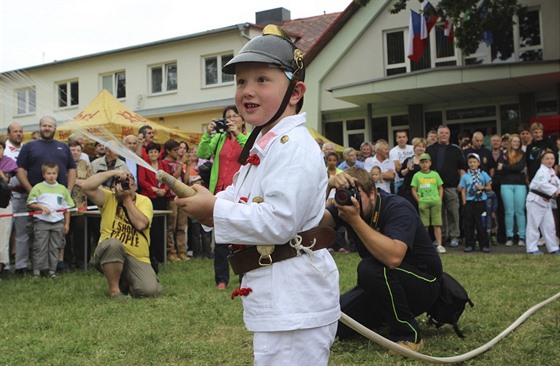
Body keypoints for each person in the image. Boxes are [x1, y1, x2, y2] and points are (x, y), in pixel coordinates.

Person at [176, 25, 340, 365]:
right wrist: (208, 203)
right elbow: (237, 196)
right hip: (282, 298)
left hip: (295, 300)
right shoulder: (264, 145)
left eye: (262, 80)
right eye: (240, 82)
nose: (247, 91)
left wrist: (212, 212)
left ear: (295, 92)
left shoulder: (292, 146)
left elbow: (278, 221)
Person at [323, 167, 442, 352]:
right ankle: (383, 316)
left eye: (356, 194)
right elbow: (315, 225)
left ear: (372, 193)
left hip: (424, 284)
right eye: (343, 194)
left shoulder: (397, 207)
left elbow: (393, 258)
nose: (349, 199)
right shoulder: (347, 206)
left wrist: (355, 220)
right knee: (332, 324)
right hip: (382, 284)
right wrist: (326, 187)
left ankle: (409, 336)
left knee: (369, 268)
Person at [81, 169, 162, 298]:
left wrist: (126, 199)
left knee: (149, 291)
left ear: (134, 186)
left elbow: (141, 225)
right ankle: (115, 291)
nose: (126, 184)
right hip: (110, 250)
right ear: (115, 187)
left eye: (129, 181)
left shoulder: (144, 201)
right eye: (122, 182)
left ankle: (126, 282)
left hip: (137, 256)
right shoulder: (108, 198)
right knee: (114, 244)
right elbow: (86, 186)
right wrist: (114, 173)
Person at [196, 105, 249, 290]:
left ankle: (245, 275)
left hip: (240, 192)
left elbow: (250, 154)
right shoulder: (219, 138)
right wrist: (207, 134)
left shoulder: (249, 137)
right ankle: (221, 279)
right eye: (228, 117)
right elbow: (202, 153)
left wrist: (238, 134)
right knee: (220, 238)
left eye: (235, 116)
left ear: (243, 119)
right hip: (218, 190)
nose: (231, 120)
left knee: (242, 235)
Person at [17, 116, 76, 273]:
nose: (47, 128)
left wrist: (68, 190)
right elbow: (20, 169)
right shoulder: (29, 146)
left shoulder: (63, 147)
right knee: (32, 234)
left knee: (58, 234)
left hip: (58, 199)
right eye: (44, 126)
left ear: (55, 128)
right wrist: (30, 189)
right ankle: (28, 266)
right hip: (35, 199)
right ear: (40, 127)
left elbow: (72, 169)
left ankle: (57, 264)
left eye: (50, 126)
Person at [27, 163, 74, 278]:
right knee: (39, 247)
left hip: (58, 222)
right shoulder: (38, 187)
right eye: (48, 173)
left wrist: (67, 224)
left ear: (57, 174)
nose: (51, 176)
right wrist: (40, 207)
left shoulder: (62, 189)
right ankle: (37, 271)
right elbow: (30, 204)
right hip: (42, 222)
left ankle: (52, 270)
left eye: (54, 173)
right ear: (44, 174)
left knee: (55, 247)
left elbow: (67, 209)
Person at [426, 125, 466, 248]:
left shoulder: (456, 149)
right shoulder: (430, 149)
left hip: (451, 186)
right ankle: (441, 237)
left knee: (453, 212)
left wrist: (461, 184)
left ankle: (454, 236)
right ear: (437, 135)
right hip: (434, 187)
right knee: (438, 214)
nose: (443, 135)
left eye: (446, 133)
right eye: (441, 133)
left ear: (449, 135)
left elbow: (462, 168)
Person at [138, 142, 170, 265]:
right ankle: (150, 255)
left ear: (159, 153)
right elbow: (141, 180)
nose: (153, 154)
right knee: (151, 227)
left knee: (161, 226)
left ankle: (161, 256)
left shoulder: (164, 165)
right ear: (148, 153)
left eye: (155, 152)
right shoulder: (143, 165)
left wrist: (165, 190)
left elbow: (168, 179)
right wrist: (153, 189)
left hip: (162, 197)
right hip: (149, 198)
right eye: (151, 152)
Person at [525, 150, 560, 255]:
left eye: (552, 159)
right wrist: (555, 191)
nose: (550, 161)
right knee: (533, 225)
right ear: (542, 160)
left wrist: (558, 190)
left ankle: (553, 247)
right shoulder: (541, 171)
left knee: (550, 226)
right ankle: (531, 248)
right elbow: (542, 184)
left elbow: (558, 182)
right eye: (547, 159)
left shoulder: (552, 171)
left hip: (546, 202)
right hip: (535, 201)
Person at [65, 141, 93, 269]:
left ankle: (82, 261)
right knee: (66, 234)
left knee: (81, 234)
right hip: (65, 206)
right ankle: (67, 261)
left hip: (81, 206)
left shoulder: (85, 165)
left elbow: (91, 181)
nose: (75, 152)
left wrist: (76, 181)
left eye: (77, 150)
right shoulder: (63, 163)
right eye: (72, 150)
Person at [411, 153, 445, 253]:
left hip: (435, 201)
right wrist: (419, 200)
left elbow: (440, 187)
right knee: (424, 225)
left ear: (430, 163)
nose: (424, 164)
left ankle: (439, 245)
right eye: (422, 162)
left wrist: (440, 199)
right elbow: (413, 189)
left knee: (437, 224)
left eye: (426, 162)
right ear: (419, 164)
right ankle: (425, 245)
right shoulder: (417, 175)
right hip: (423, 202)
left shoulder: (435, 174)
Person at [497, 134, 527, 246]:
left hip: (520, 184)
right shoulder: (503, 154)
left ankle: (521, 237)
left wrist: (505, 167)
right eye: (514, 141)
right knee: (509, 211)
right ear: (510, 142)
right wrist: (513, 169)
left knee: (520, 211)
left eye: (518, 141)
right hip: (506, 185)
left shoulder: (522, 154)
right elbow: (499, 170)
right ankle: (509, 236)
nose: (516, 143)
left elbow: (520, 167)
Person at [162, 139, 189, 261]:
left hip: (182, 197)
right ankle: (171, 252)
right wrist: (180, 165)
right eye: (175, 150)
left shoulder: (179, 163)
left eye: (179, 149)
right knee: (171, 226)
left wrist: (187, 166)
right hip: (171, 198)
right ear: (168, 151)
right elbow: (172, 180)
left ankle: (182, 251)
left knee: (182, 226)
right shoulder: (165, 163)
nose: (178, 152)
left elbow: (186, 180)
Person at [459, 153, 492, 253]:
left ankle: (484, 245)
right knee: (469, 224)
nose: (472, 164)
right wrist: (464, 202)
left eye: (474, 162)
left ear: (478, 163)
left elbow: (489, 187)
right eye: (470, 162)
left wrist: (482, 187)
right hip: (469, 202)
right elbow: (463, 190)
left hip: (480, 202)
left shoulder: (483, 174)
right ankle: (469, 245)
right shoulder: (465, 176)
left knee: (481, 224)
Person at [4, 123, 26, 274]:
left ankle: (21, 265)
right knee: (4, 232)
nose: (18, 134)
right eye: (15, 131)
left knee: (22, 232)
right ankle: (4, 265)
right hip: (7, 196)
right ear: (8, 134)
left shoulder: (26, 148)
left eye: (20, 131)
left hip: (24, 194)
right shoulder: (3, 149)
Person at [0, 139, 18, 277]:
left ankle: (3, 266)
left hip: (4, 204)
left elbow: (6, 180)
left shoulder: (9, 163)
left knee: (3, 236)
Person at [397, 137, 427, 210]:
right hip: (409, 190)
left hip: (424, 190)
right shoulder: (409, 160)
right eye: (419, 146)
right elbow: (400, 174)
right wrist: (407, 169)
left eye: (423, 147)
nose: (421, 148)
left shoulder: (428, 161)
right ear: (414, 148)